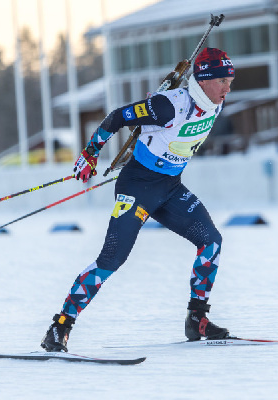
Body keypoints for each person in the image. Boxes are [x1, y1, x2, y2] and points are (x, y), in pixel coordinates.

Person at [41, 48, 235, 352]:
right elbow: (118, 116)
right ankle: (60, 327)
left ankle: (197, 320)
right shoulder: (168, 106)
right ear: (204, 80)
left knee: (211, 242)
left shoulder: (213, 103)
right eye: (222, 81)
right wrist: (90, 154)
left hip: (170, 188)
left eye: (230, 82)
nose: (227, 89)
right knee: (111, 260)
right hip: (137, 188)